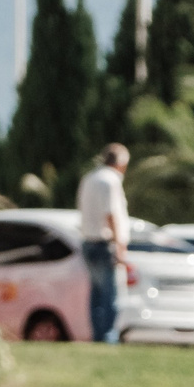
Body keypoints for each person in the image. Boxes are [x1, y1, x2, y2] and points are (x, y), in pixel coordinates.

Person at [73, 144, 130, 345]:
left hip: (89, 241)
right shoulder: (110, 181)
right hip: (105, 244)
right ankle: (108, 338)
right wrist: (119, 246)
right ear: (120, 163)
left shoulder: (89, 178)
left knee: (96, 295)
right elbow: (111, 214)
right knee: (111, 295)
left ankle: (98, 335)